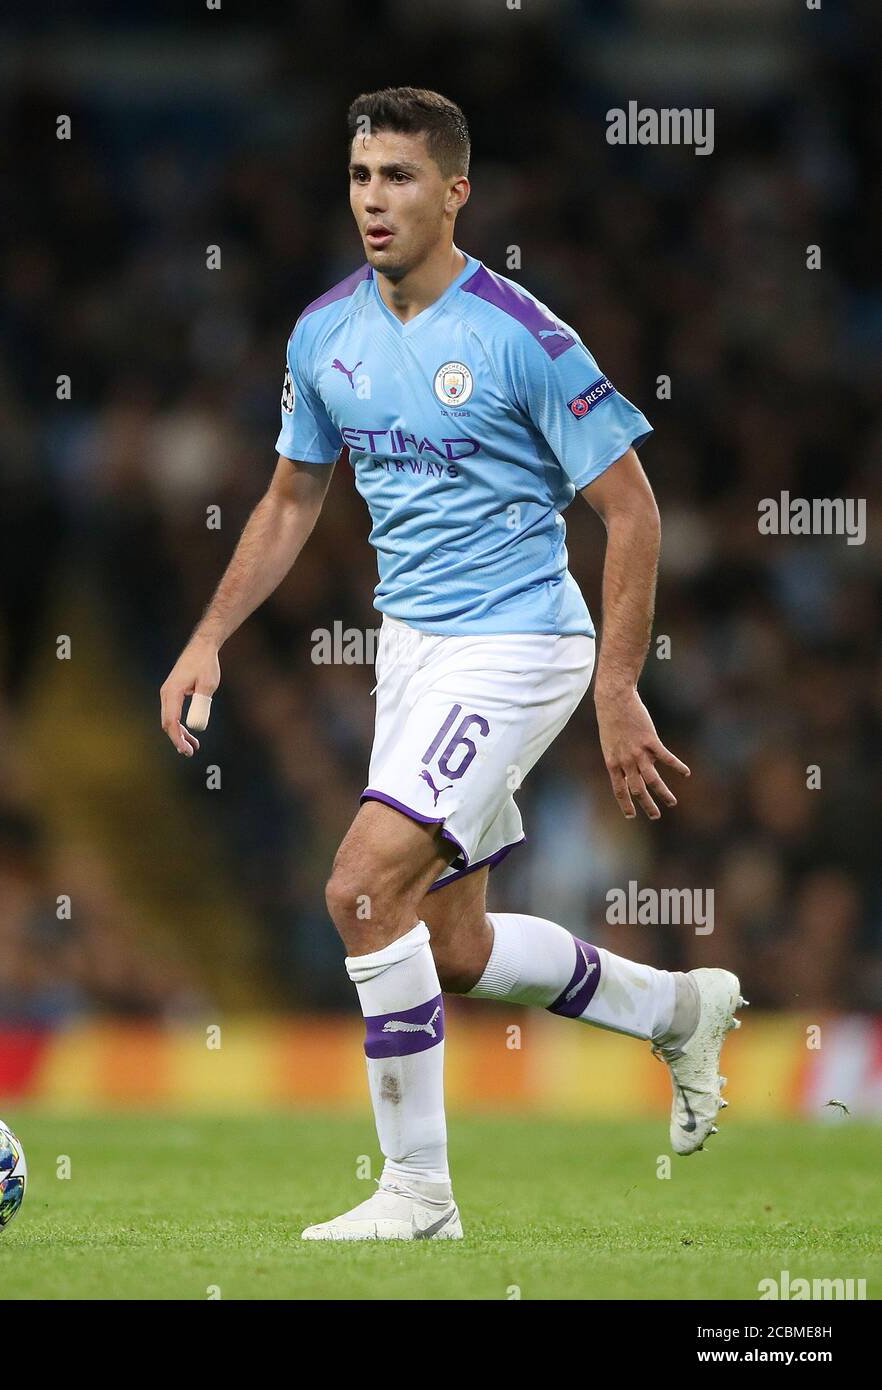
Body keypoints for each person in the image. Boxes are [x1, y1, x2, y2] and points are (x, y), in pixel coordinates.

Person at [160, 87, 745, 1241]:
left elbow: (631, 513)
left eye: (400, 178)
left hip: (520, 641)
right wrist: (207, 636)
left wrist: (617, 691)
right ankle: (679, 1009)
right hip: (413, 651)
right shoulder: (323, 333)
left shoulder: (523, 338)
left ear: (454, 193)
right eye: (360, 177)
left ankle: (417, 1196)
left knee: (359, 888)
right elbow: (290, 496)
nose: (374, 200)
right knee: (451, 944)